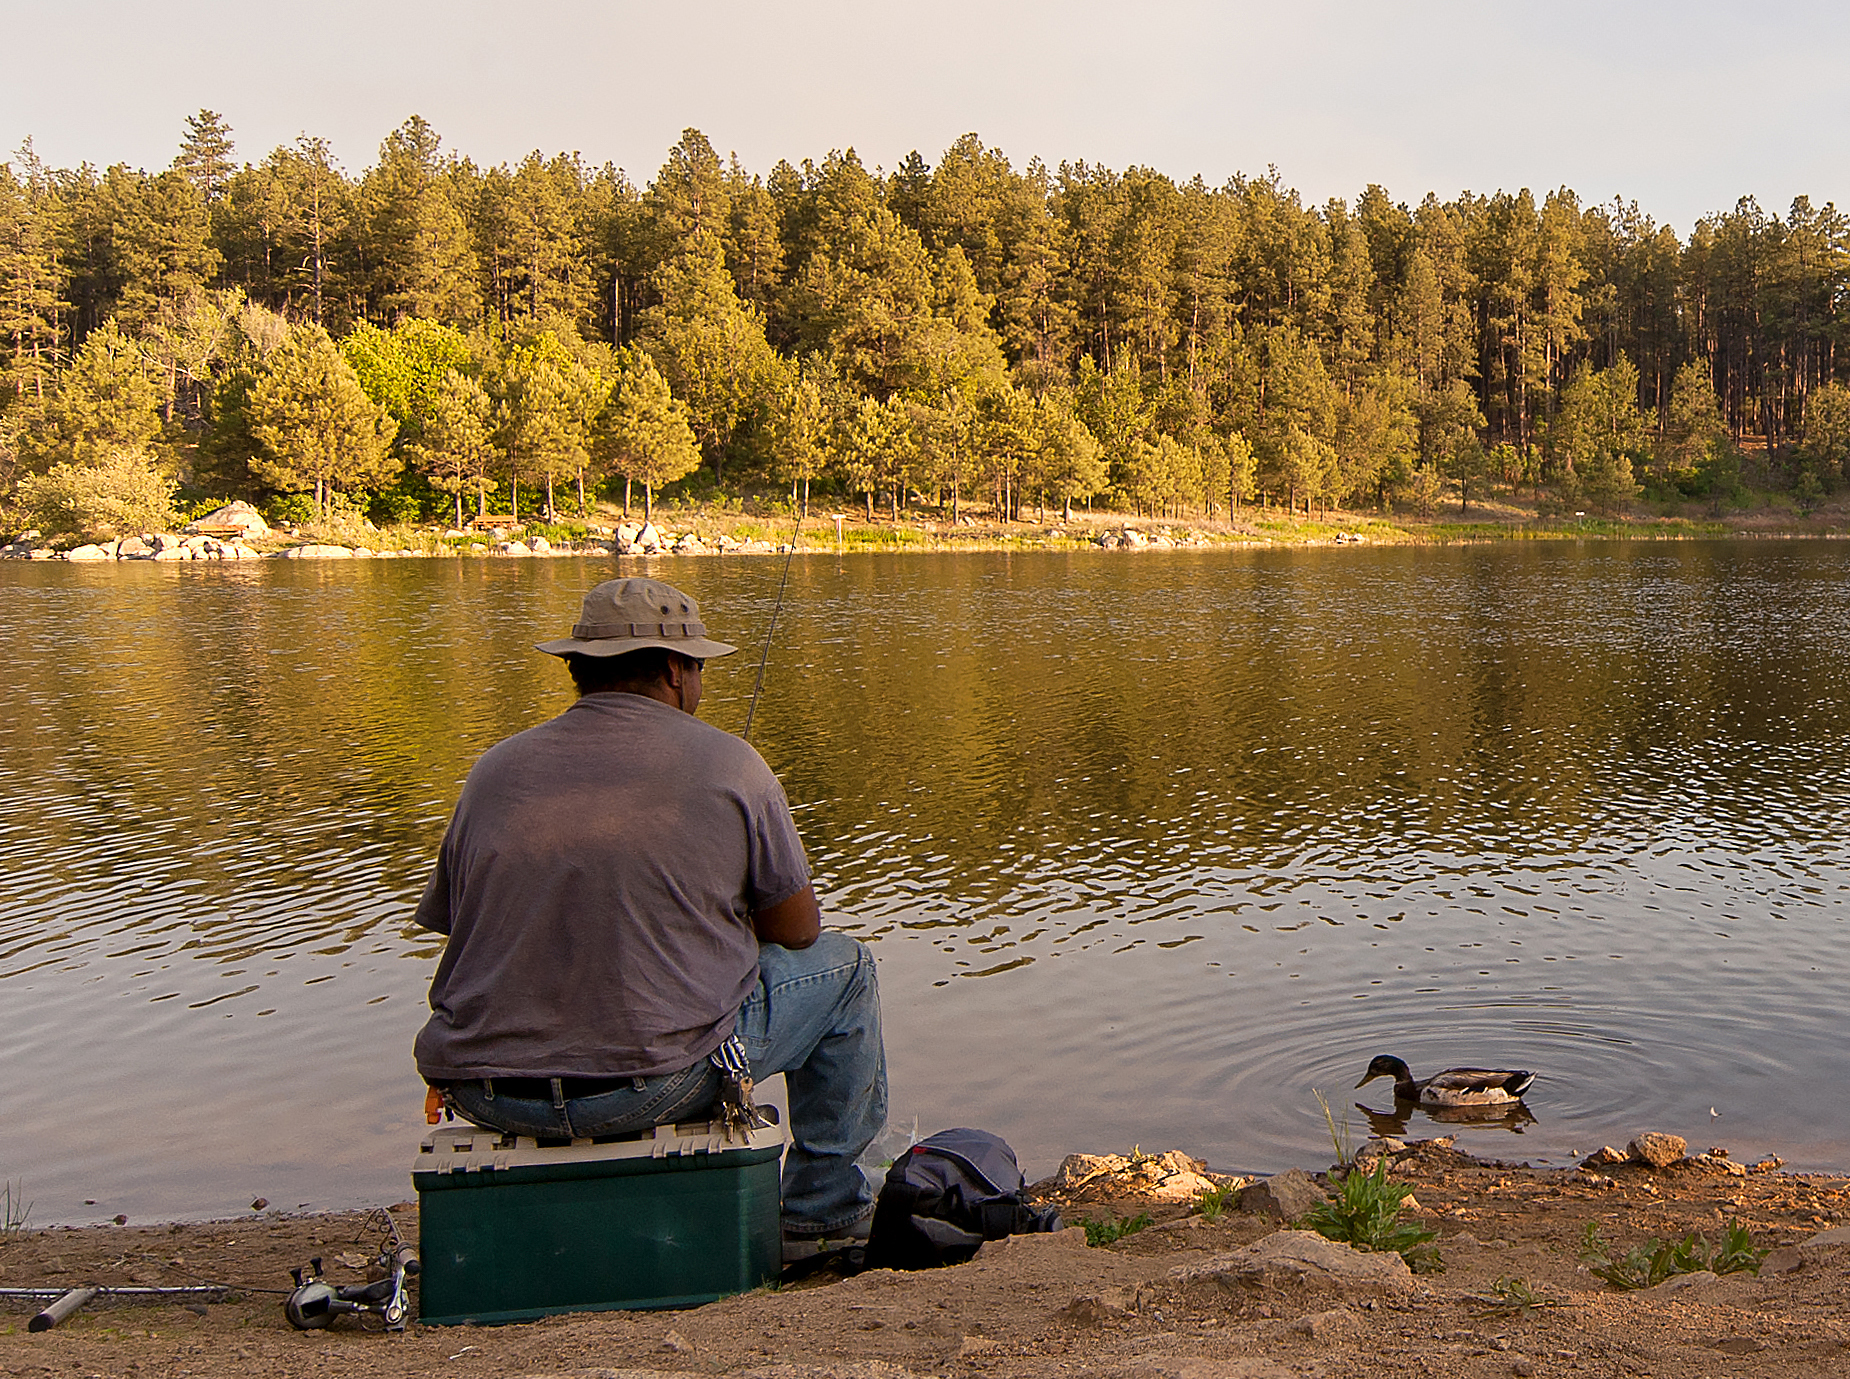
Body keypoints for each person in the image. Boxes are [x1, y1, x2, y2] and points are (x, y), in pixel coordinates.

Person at [412, 576, 886, 1257]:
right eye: (698, 668)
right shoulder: (733, 764)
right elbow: (799, 932)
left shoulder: (494, 770)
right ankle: (824, 1211)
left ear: (580, 665)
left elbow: (470, 924)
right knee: (847, 969)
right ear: (673, 668)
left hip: (486, 1089)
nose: (700, 685)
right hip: (650, 1085)